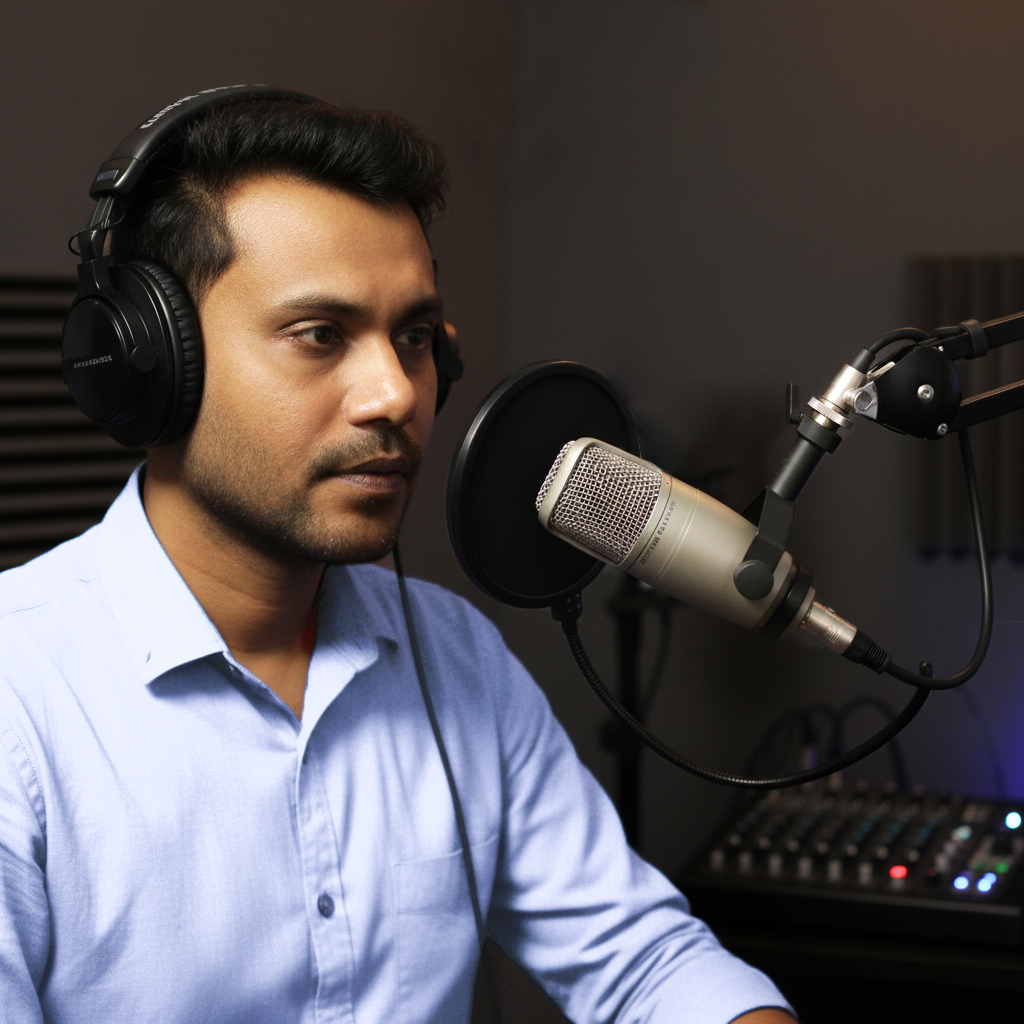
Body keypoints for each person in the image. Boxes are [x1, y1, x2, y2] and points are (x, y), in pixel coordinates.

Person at [0, 91, 796, 1023]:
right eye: (320, 336)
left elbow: (644, 962)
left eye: (413, 338)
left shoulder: (454, 657)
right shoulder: (21, 701)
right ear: (151, 363)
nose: (395, 394)